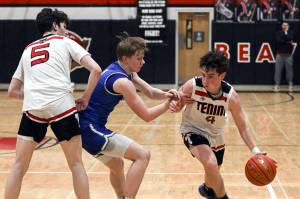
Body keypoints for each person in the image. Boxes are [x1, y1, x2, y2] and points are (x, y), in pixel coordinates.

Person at [5, 8, 102, 199]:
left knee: (18, 166)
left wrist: (36, 92)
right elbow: (96, 69)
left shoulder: (28, 49)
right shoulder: (65, 42)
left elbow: (12, 91)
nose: (66, 31)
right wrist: (86, 97)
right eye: (64, 26)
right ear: (55, 25)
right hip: (62, 107)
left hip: (33, 108)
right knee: (76, 164)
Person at [78, 32, 178, 199]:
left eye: (142, 57)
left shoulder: (123, 70)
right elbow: (146, 116)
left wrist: (168, 94)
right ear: (125, 59)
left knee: (117, 166)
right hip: (89, 129)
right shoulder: (122, 82)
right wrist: (168, 105)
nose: (143, 61)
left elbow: (151, 93)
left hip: (89, 127)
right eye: (138, 58)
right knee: (142, 155)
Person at [170, 51, 266, 199]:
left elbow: (243, 128)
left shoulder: (231, 97)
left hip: (216, 135)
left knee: (213, 172)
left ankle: (207, 189)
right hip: (192, 129)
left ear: (222, 76)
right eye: (203, 75)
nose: (205, 81)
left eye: (210, 76)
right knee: (211, 163)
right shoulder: (193, 85)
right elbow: (176, 99)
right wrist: (176, 105)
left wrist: (256, 151)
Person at [274, 21, 295, 92]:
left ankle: (290, 84)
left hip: (288, 55)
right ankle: (277, 85)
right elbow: (279, 41)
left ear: (288, 26)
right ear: (281, 26)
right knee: (278, 71)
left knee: (289, 71)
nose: (285, 26)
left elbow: (291, 38)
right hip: (279, 55)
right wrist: (287, 41)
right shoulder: (278, 33)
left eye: (286, 25)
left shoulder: (291, 33)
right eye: (284, 25)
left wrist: (286, 36)